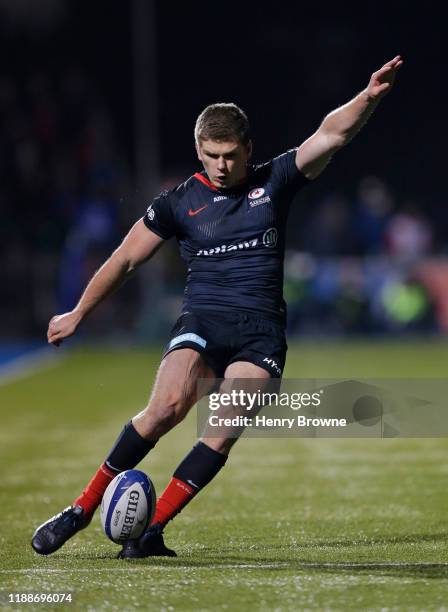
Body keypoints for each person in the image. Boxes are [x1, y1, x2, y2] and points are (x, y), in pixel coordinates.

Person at [31, 56, 403, 558]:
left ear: (248, 148)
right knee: (166, 408)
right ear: (199, 152)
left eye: (231, 154)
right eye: (213, 155)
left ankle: (149, 534)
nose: (223, 165)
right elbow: (124, 260)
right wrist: (78, 312)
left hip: (260, 334)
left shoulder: (275, 181)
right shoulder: (177, 203)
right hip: (202, 323)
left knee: (223, 423)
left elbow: (330, 135)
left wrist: (369, 97)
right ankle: (80, 508)